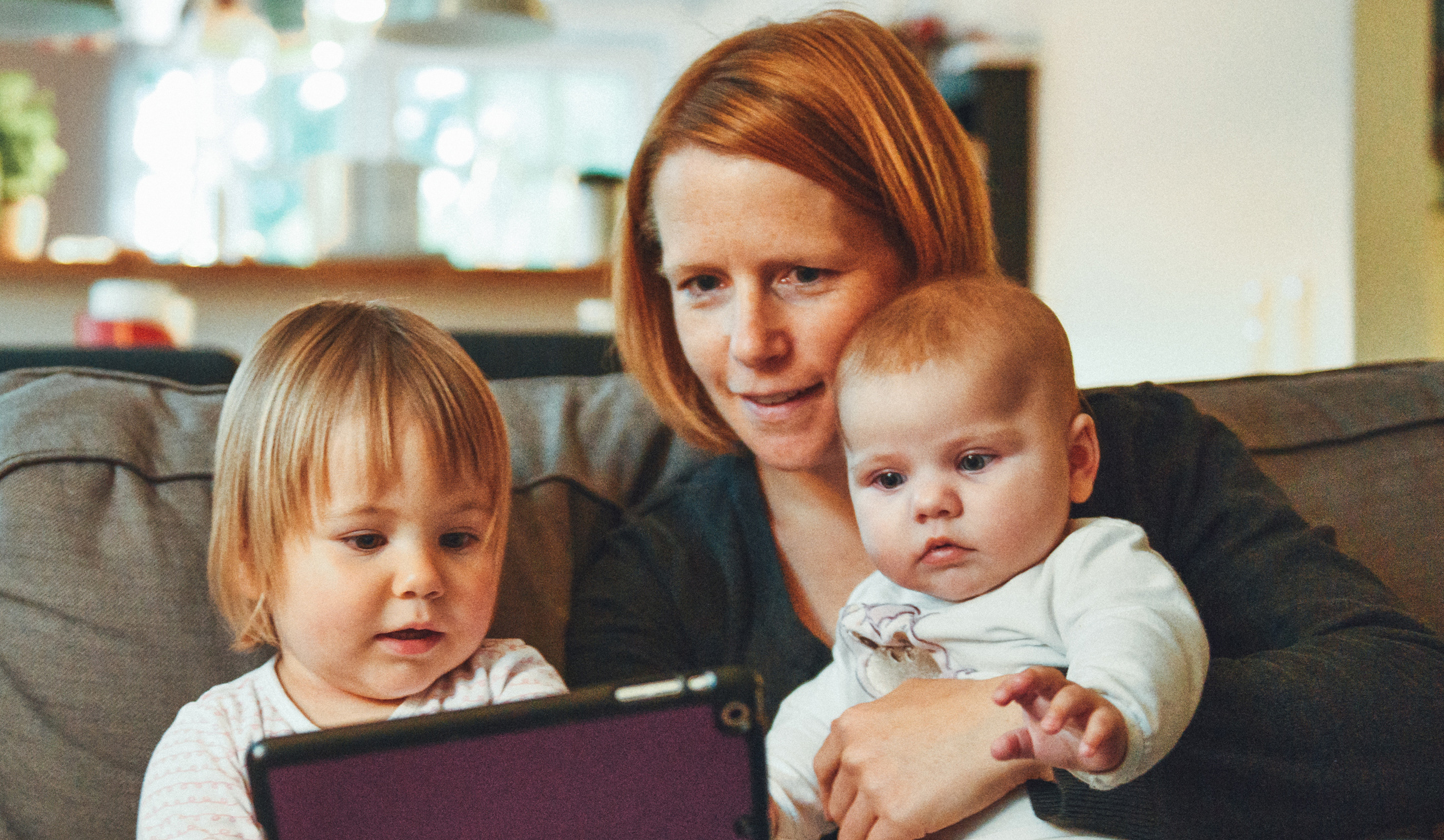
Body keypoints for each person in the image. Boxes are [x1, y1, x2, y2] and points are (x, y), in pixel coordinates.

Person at [564, 10, 1444, 839]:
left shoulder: (1145, 455)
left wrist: (1013, 740)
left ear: (924, 255)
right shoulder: (655, 580)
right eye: (703, 284)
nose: (751, 342)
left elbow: (1413, 712)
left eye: (803, 273)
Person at [765, 276, 1207, 840]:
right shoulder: (876, 607)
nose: (929, 503)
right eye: (889, 478)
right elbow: (822, 722)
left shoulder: (1088, 563)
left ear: (1076, 461)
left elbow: (1144, 631)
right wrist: (768, 803)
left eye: (973, 461)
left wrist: (1108, 714)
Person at [137, 299, 567, 840]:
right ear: (252, 560)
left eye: (457, 539)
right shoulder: (215, 744)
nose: (421, 578)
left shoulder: (509, 691)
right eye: (366, 540)